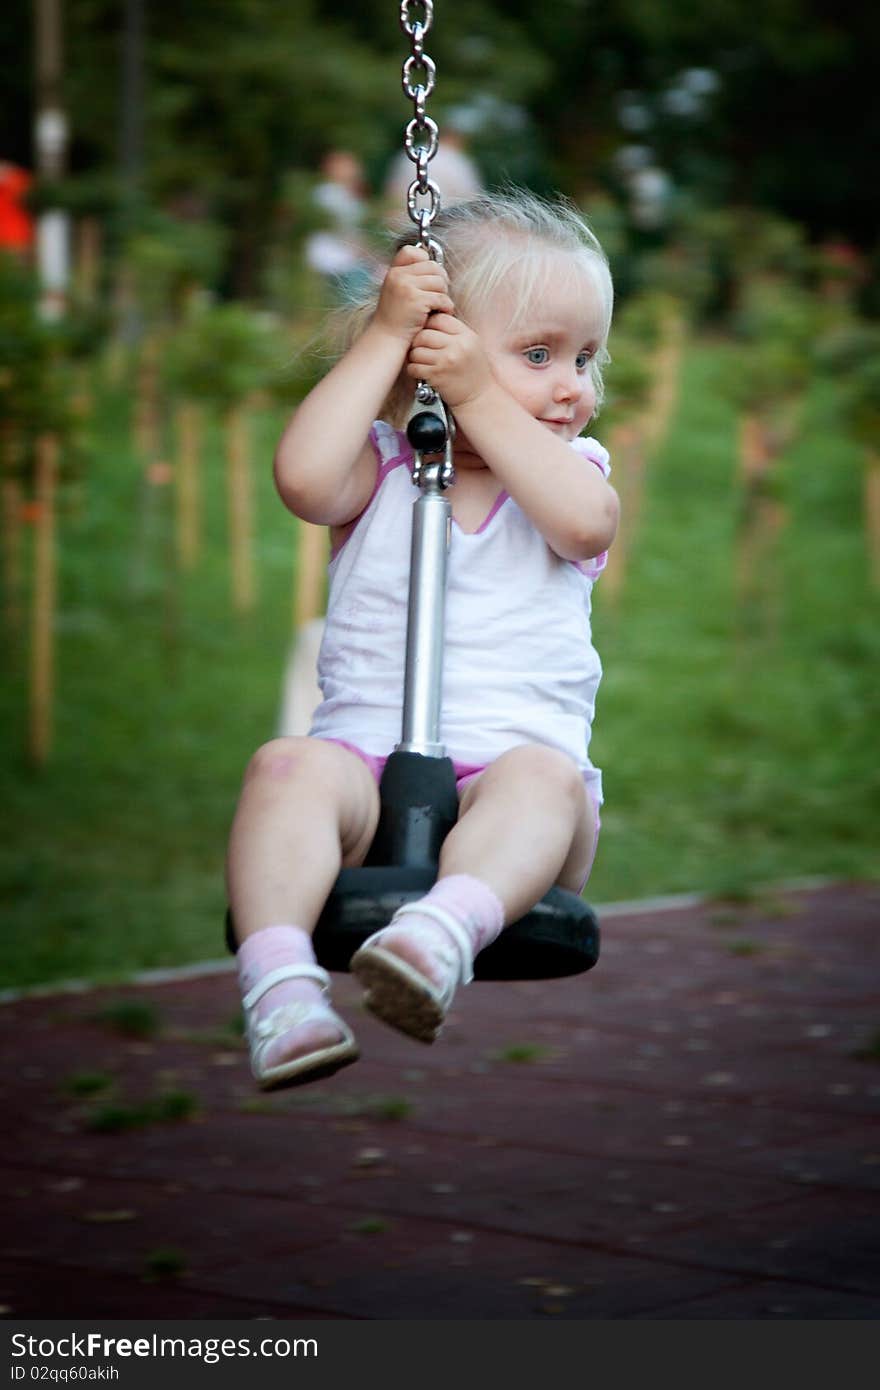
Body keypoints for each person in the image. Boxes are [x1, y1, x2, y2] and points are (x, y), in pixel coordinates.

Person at [226, 189, 619, 1090]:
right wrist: (382, 338)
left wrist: (487, 389)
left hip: (519, 813)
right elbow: (301, 479)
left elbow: (585, 525)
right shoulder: (384, 472)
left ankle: (439, 936)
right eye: (538, 353)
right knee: (284, 768)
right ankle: (280, 989)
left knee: (543, 779)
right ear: (427, 354)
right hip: (365, 782)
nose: (572, 384)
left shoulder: (570, 474)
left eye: (586, 357)